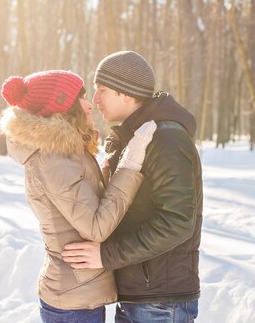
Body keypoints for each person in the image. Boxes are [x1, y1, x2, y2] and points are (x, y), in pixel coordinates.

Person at [0, 69, 157, 323]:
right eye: (80, 98)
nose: (89, 104)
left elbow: (79, 208)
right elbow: (95, 227)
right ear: (63, 109)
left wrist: (104, 178)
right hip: (74, 301)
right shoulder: (54, 159)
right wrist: (129, 167)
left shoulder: (62, 153)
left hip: (77, 292)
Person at [62, 51, 203, 323]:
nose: (95, 99)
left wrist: (107, 255)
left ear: (125, 93)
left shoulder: (166, 139)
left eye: (101, 90)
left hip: (161, 299)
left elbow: (177, 221)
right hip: (138, 292)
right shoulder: (135, 137)